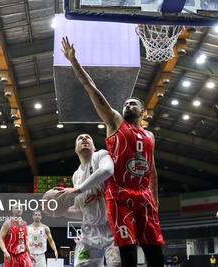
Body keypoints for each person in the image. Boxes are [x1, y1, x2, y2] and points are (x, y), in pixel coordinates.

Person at [61, 36, 164, 267]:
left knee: (154, 248)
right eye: (126, 103)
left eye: (132, 104)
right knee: (126, 252)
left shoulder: (150, 136)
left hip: (144, 196)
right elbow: (93, 90)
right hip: (119, 195)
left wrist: (154, 198)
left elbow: (152, 171)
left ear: (143, 111)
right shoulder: (116, 122)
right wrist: (74, 61)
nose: (127, 105)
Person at [54, 133, 120, 267]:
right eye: (80, 138)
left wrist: (78, 190)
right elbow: (79, 211)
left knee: (116, 264)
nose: (84, 138)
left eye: (88, 137)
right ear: (76, 149)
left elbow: (107, 170)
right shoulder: (76, 175)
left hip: (112, 227)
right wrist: (61, 211)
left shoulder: (100, 156)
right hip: (89, 232)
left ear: (94, 147)